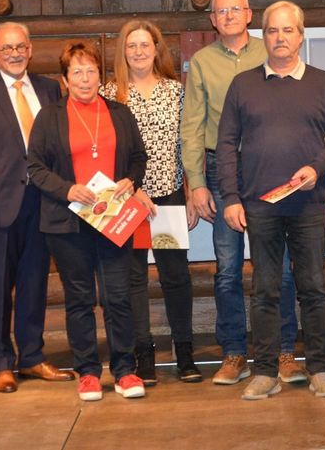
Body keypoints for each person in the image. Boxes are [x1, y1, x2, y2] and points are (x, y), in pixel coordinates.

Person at [217, 0, 325, 400]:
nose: (280, 37)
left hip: (308, 207)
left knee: (313, 287)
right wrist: (231, 197)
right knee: (265, 290)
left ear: (300, 35)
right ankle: (265, 372)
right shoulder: (243, 84)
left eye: (288, 30)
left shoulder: (323, 82)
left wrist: (318, 167)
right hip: (260, 206)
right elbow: (225, 144)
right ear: (264, 36)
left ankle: (321, 369)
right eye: (272, 30)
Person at [180, 0, 302, 386]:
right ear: (212, 19)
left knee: (279, 269)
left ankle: (284, 350)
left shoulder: (270, 52)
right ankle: (233, 352)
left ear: (250, 14)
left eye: (236, 8)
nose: (229, 15)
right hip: (219, 172)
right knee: (228, 269)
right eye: (221, 11)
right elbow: (192, 127)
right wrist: (197, 183)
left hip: (269, 171)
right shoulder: (200, 62)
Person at [27, 41, 149, 401]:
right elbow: (35, 167)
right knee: (79, 299)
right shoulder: (49, 117)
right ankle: (88, 373)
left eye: (91, 70)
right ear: (64, 79)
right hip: (67, 224)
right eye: (76, 71)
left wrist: (131, 180)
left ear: (101, 74)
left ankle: (125, 371)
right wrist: (67, 190)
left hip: (113, 220)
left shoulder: (120, 113)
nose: (85, 77)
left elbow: (139, 157)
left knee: (118, 297)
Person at [0, 22, 74, 393]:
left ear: (30, 49)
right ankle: (0, 363)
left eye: (20, 46)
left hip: (43, 204)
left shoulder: (48, 88)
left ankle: (31, 357)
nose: (14, 53)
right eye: (6, 48)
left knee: (33, 283)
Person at [103, 19, 202, 384]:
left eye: (146, 45)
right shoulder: (110, 93)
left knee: (176, 276)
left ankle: (185, 351)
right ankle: (142, 352)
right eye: (132, 46)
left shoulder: (176, 92)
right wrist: (130, 188)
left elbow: (188, 145)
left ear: (157, 49)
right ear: (123, 52)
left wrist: (191, 191)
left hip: (169, 198)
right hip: (128, 200)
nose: (140, 52)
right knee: (133, 279)